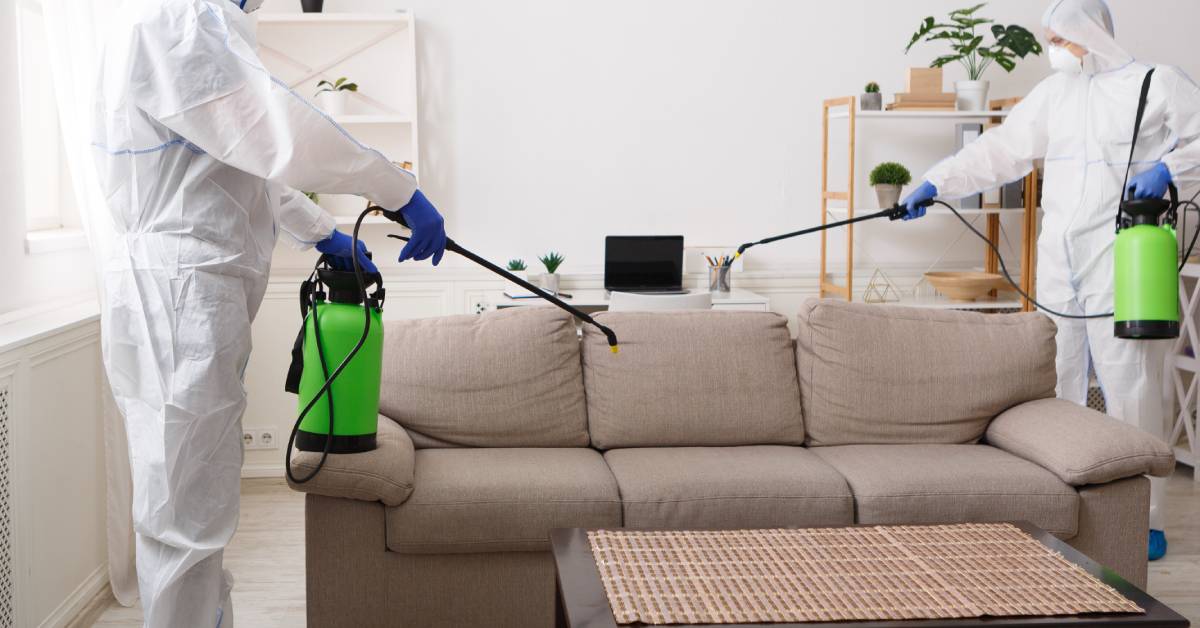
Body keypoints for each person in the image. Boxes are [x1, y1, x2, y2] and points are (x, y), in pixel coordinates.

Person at [90, 0, 447, 625]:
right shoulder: (177, 22)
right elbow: (277, 131)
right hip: (177, 290)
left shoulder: (198, 26)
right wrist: (399, 190)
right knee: (186, 513)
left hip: (177, 286)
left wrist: (320, 231)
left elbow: (240, 158)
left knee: (191, 502)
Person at [901, 0, 1200, 562]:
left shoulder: (1156, 84)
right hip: (1060, 266)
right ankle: (1063, 505)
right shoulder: (1054, 95)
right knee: (1054, 386)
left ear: (1088, 34)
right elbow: (1000, 152)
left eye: (1058, 38)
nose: (1051, 49)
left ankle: (1145, 518)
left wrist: (1173, 168)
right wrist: (935, 182)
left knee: (1132, 388)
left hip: (1125, 261)